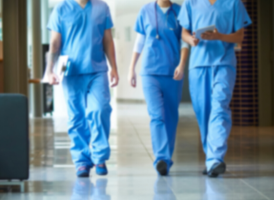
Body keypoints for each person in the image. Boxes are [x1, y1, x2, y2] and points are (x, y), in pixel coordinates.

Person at [178, 0, 252, 177]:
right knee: (203, 114)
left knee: (219, 108)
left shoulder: (234, 3)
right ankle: (210, 157)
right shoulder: (191, 3)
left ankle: (215, 159)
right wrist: (192, 39)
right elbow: (184, 33)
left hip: (224, 64)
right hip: (198, 66)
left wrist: (220, 36)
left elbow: (240, 36)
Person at [47, 0, 119, 177]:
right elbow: (55, 43)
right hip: (69, 69)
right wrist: (49, 70)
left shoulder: (102, 7)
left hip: (97, 69)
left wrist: (114, 68)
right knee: (76, 117)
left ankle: (99, 156)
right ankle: (81, 161)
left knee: (100, 109)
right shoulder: (61, 9)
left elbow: (108, 40)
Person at [128, 0, 189, 176]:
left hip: (173, 72)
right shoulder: (146, 10)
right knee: (156, 115)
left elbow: (184, 41)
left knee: (171, 116)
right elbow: (140, 41)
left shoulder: (180, 11)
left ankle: (166, 159)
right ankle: (161, 158)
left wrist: (182, 64)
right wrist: (131, 68)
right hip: (150, 72)